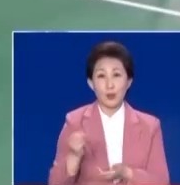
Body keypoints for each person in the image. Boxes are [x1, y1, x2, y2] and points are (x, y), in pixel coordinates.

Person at [48, 41, 169, 185]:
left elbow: (162, 181)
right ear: (91, 83)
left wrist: (128, 173)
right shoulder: (74, 122)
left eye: (116, 75)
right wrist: (73, 157)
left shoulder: (150, 126)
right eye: (101, 76)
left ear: (129, 81)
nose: (109, 85)